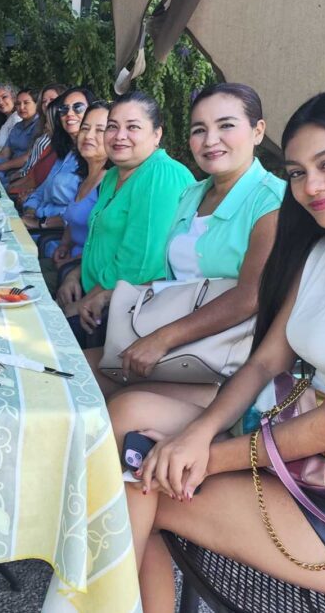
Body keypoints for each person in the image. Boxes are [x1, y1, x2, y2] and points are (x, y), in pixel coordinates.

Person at [108, 87, 325, 611]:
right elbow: (265, 361)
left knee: (139, 479)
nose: (312, 186)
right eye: (298, 172)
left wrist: (206, 458)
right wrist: (198, 432)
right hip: (310, 453)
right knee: (128, 415)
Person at [85, 83, 284, 407]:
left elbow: (251, 296)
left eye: (226, 126)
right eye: (199, 130)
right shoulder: (192, 195)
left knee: (123, 409)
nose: (210, 140)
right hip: (176, 343)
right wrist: (110, 293)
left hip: (227, 362)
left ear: (258, 130)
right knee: (74, 371)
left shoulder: (272, 201)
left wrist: (163, 339)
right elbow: (180, 280)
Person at [60, 91, 195, 347]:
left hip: (130, 310)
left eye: (132, 127)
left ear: (157, 134)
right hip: (96, 294)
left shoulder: (161, 175)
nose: (119, 136)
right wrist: (75, 275)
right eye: (112, 127)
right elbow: (102, 241)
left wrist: (82, 303)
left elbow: (139, 261)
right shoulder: (113, 176)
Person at [20, 87, 97, 251]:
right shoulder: (67, 153)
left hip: (54, 240)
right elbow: (42, 190)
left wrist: (41, 223)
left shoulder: (96, 160)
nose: (70, 113)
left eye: (78, 107)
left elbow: (81, 214)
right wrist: (30, 212)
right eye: (64, 109)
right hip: (36, 229)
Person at [50, 101, 110, 288]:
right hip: (66, 263)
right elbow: (74, 218)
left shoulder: (110, 183)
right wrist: (64, 245)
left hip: (87, 276)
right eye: (85, 128)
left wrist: (72, 265)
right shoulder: (85, 176)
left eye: (100, 130)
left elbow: (108, 245)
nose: (89, 135)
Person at [8, 83, 68, 199]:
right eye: (44, 101)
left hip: (33, 188)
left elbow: (41, 173)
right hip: (25, 179)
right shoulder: (41, 127)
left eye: (52, 100)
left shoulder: (61, 138)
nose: (47, 104)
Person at [0, 88, 40, 183]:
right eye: (18, 104)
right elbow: (5, 153)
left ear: (37, 104)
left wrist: (0, 167)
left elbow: (28, 158)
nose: (21, 107)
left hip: (24, 176)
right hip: (9, 170)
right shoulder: (17, 126)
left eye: (26, 103)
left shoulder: (39, 126)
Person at [0, 83, 20, 152]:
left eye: (4, 97)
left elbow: (15, 152)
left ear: (14, 97)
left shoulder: (16, 118)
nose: (0, 102)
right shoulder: (8, 119)